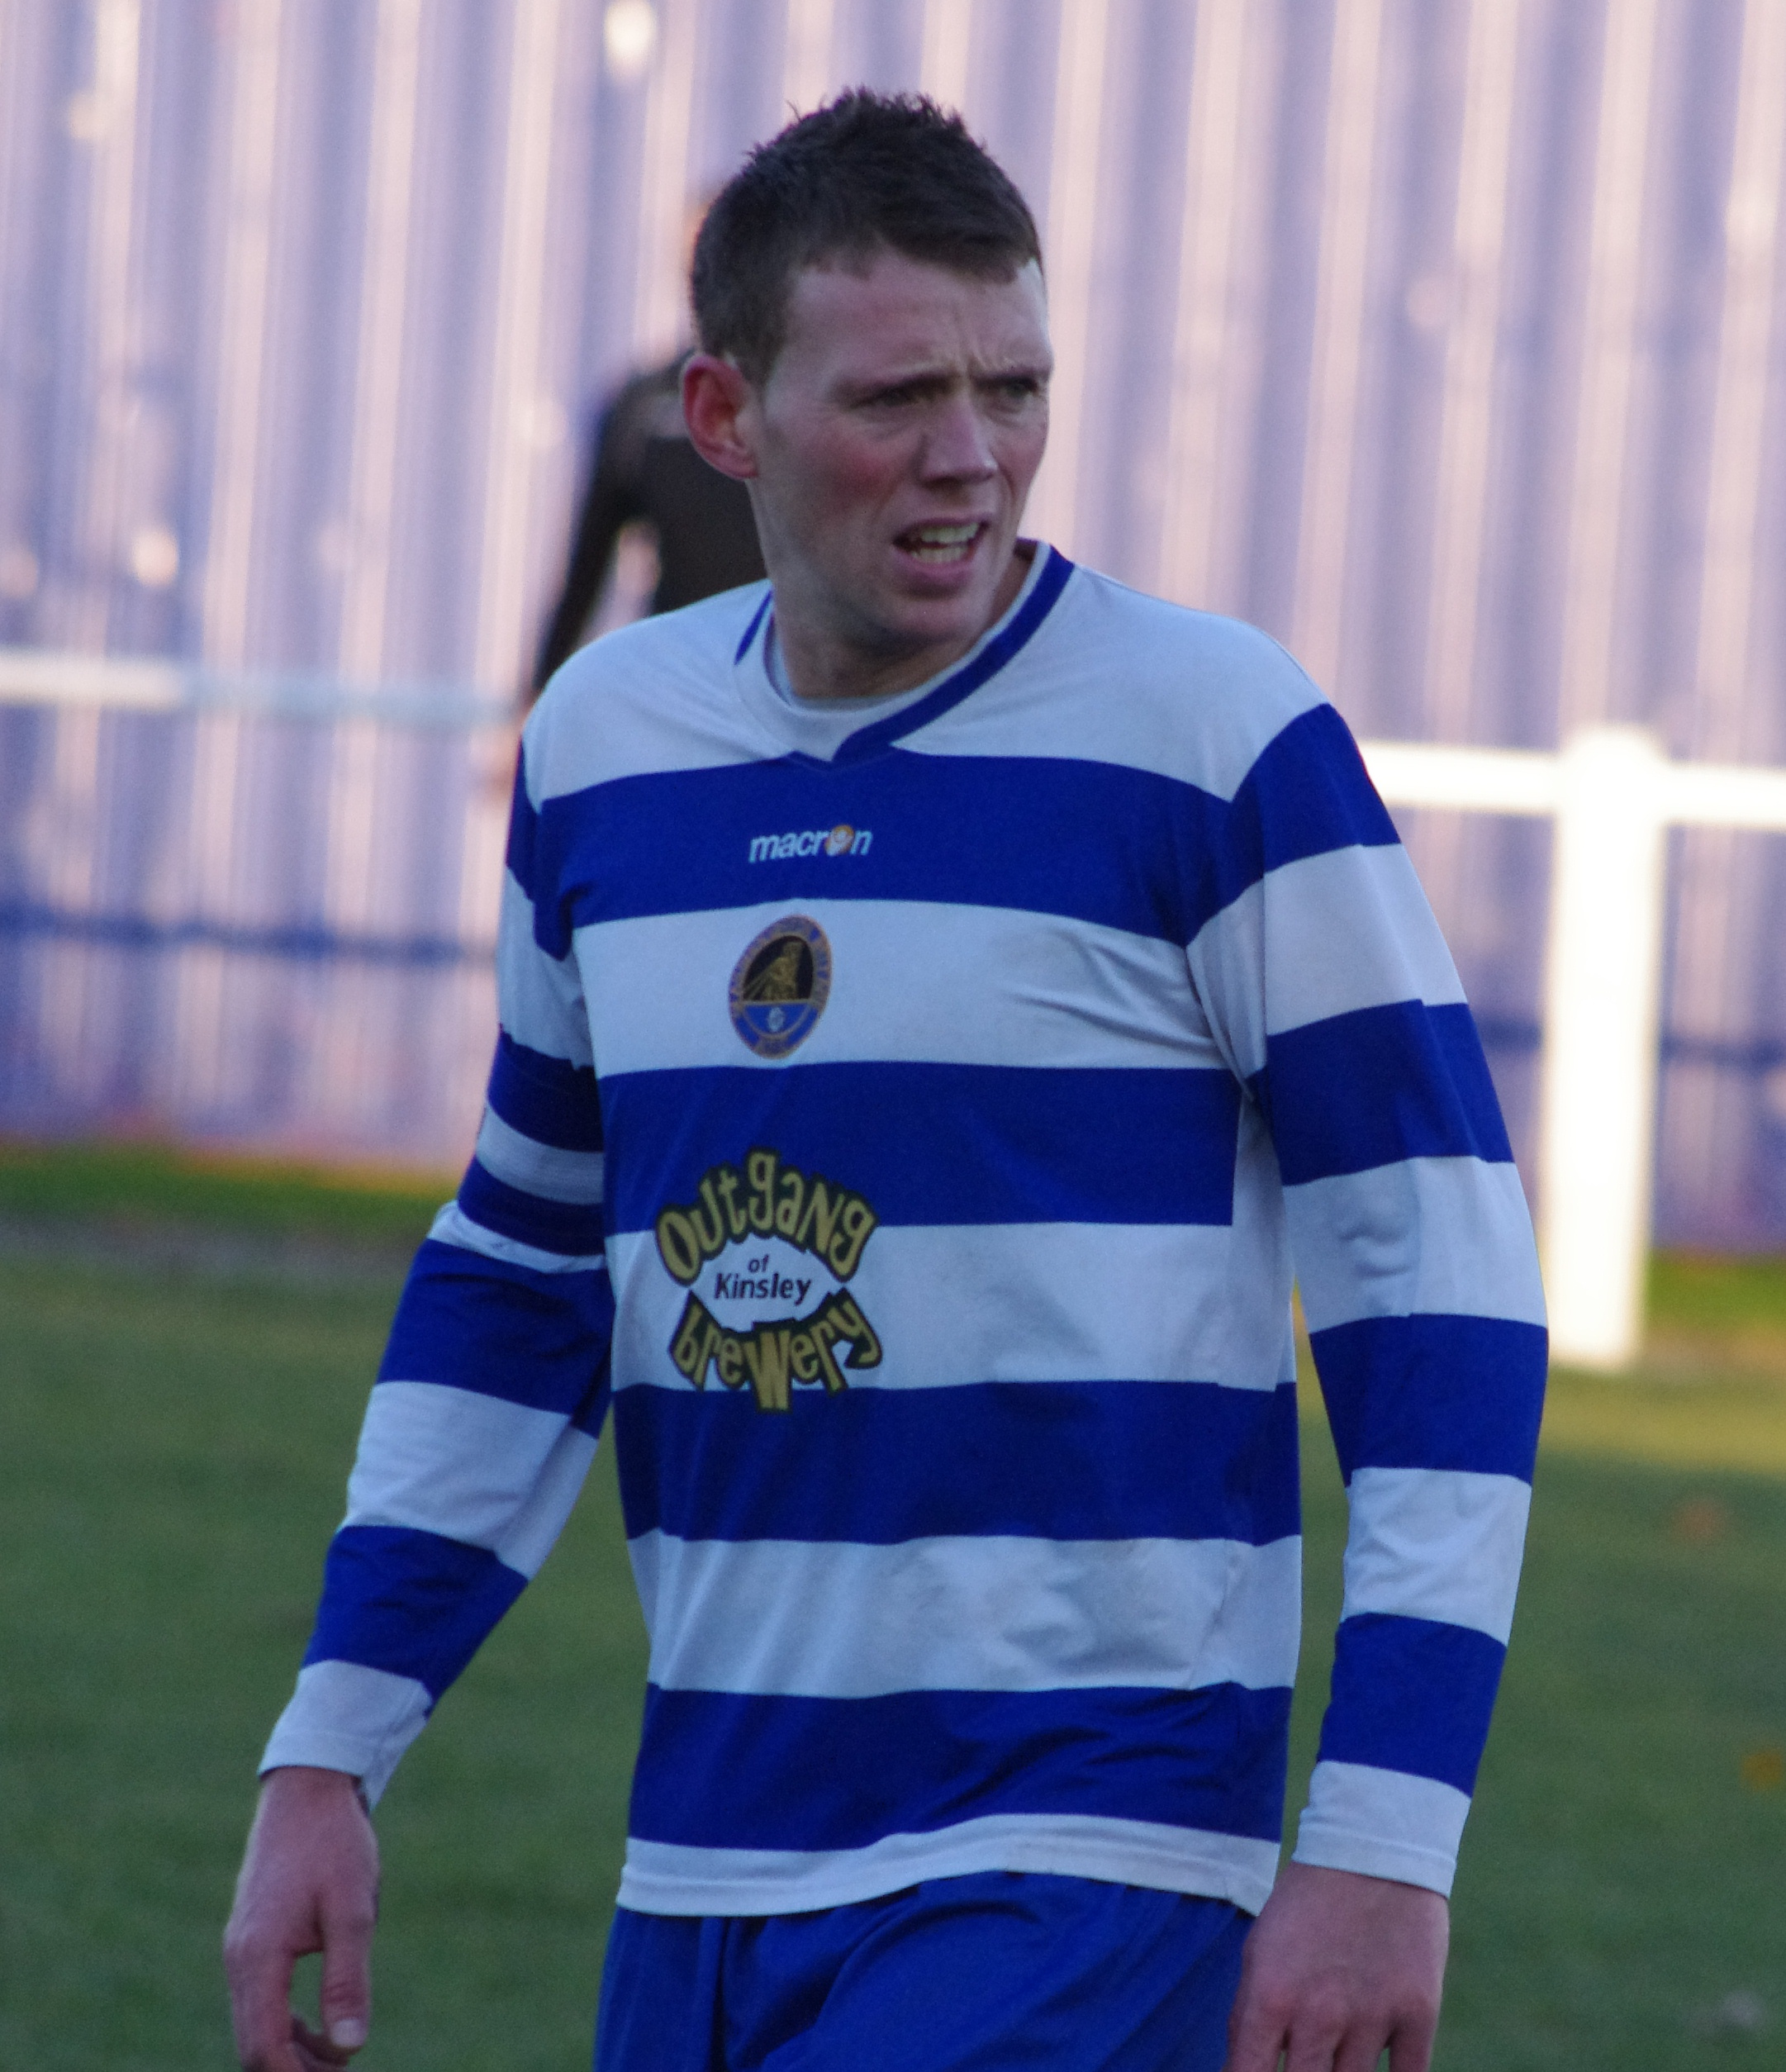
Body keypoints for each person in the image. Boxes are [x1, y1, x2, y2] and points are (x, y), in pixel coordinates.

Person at [225, 91, 1547, 2072]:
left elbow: (1434, 1279)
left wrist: (1379, 1838)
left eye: (1012, 386)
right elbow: (521, 1270)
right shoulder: (604, 751)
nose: (969, 456)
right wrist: (330, 1741)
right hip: (705, 1861)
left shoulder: (1212, 736)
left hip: (1086, 1843)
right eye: (897, 395)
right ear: (723, 414)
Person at [529, 352, 766, 698]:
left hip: (794, 689)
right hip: (682, 684)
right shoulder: (644, 406)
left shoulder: (808, 396)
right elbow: (585, 574)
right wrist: (538, 699)